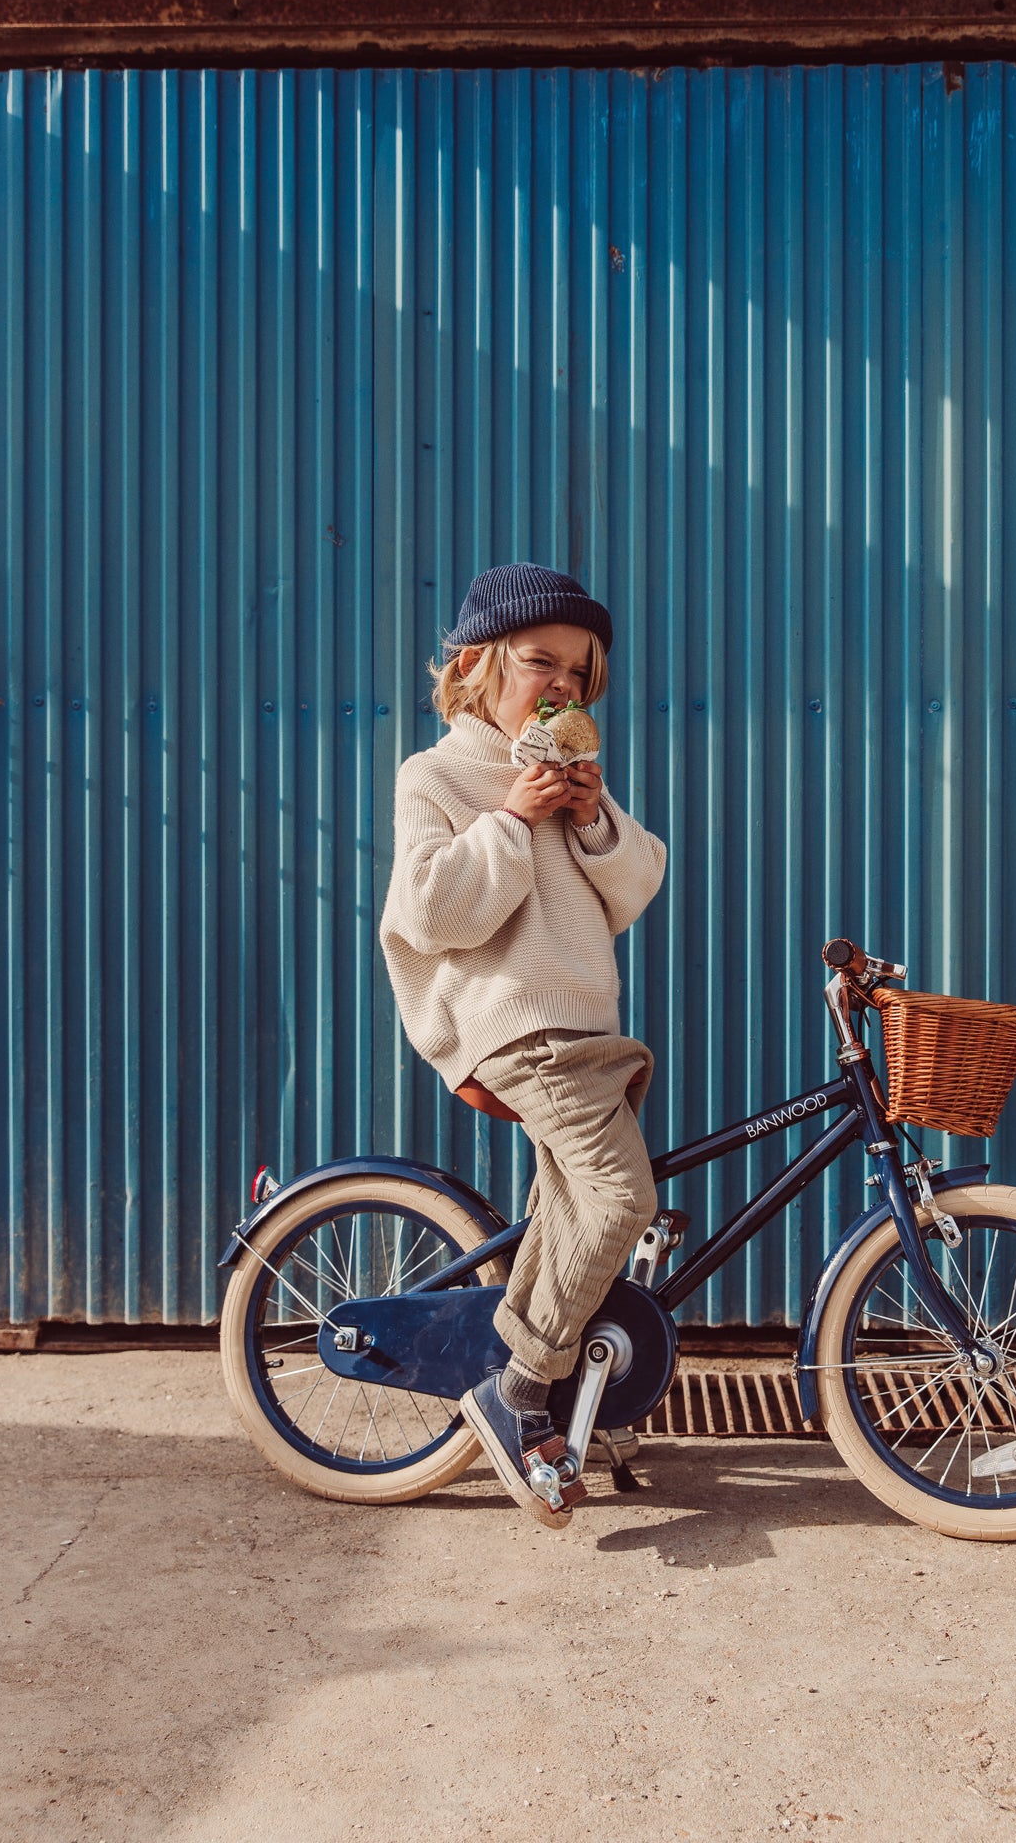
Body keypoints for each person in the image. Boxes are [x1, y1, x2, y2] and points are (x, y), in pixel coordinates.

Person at [379, 562, 667, 1528]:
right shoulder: (440, 775)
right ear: (475, 668)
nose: (558, 687)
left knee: (569, 1209)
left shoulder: (572, 782)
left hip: (584, 1029)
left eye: (577, 675)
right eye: (537, 663)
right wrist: (511, 816)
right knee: (625, 1199)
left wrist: (591, 820)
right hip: (518, 1028)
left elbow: (632, 888)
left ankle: (545, 1366)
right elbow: (429, 912)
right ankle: (521, 1387)